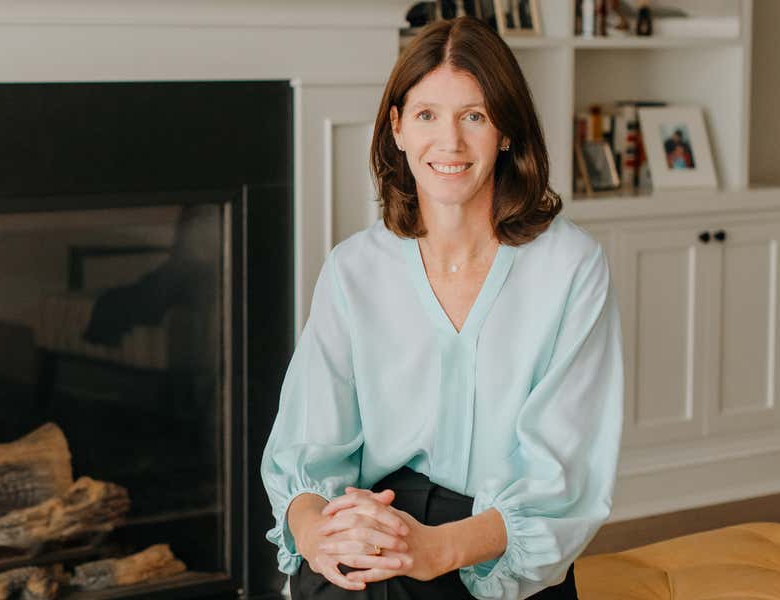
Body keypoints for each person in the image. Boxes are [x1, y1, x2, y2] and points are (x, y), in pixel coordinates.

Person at [261, 15, 623, 600]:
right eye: (427, 115)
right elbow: (307, 445)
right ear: (398, 129)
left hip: (496, 543)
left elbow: (564, 477)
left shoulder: (571, 267)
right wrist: (318, 538)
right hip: (378, 518)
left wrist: (432, 549)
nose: (449, 142)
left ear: (506, 131)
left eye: (473, 116)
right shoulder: (354, 268)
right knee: (338, 582)